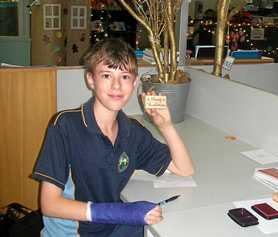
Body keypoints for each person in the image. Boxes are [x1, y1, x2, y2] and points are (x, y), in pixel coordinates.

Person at [32, 38, 194, 237]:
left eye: (125, 77)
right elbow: (49, 205)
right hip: (75, 233)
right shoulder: (65, 126)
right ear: (90, 79)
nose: (117, 86)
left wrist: (166, 126)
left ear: (134, 83)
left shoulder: (132, 131)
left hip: (112, 226)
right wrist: (123, 212)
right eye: (107, 75)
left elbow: (184, 169)